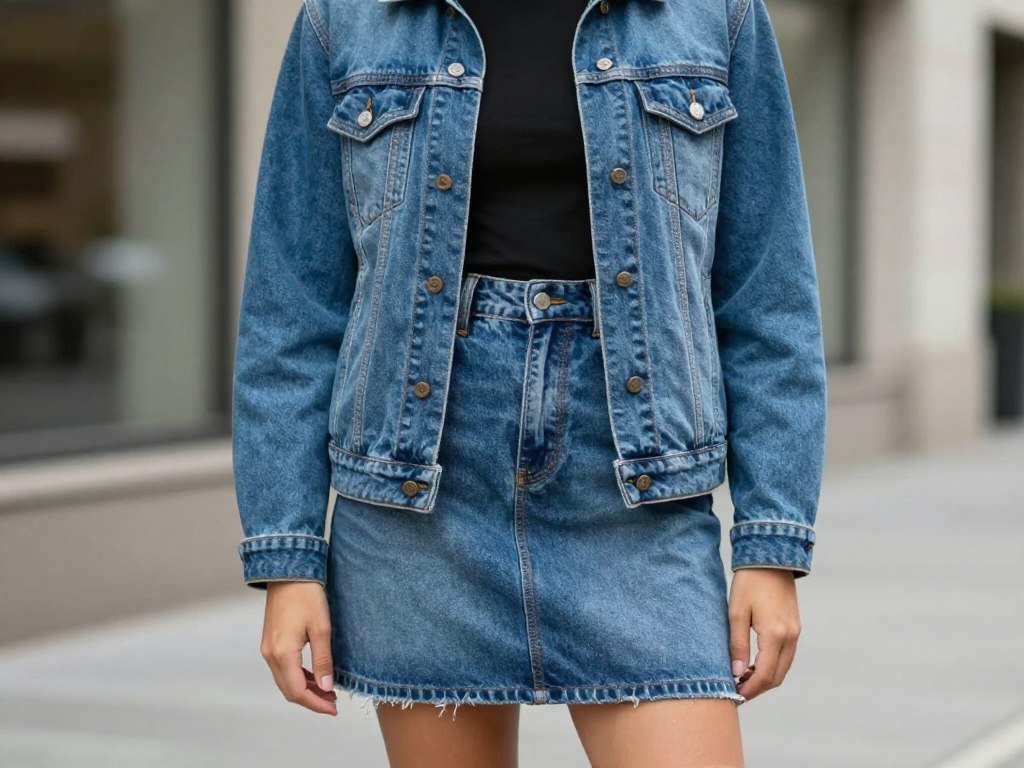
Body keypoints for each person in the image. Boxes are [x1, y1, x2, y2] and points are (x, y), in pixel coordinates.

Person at [232, 0, 826, 765]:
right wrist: (288, 560)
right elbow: (292, 311)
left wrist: (771, 547)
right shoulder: (346, 20)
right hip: (421, 500)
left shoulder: (714, 14)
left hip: (637, 494)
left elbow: (768, 299)